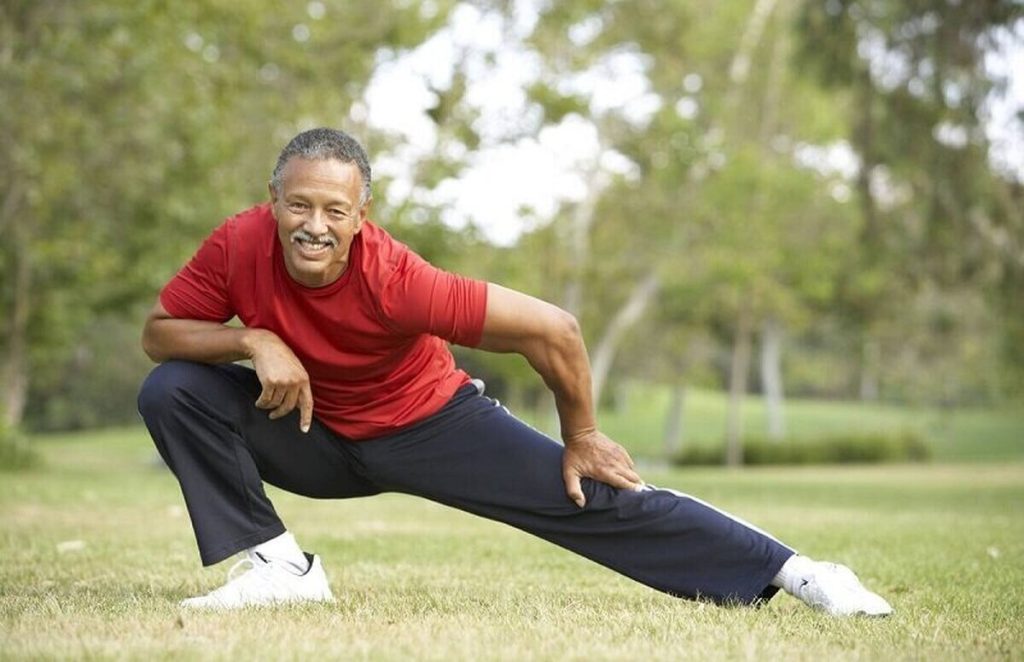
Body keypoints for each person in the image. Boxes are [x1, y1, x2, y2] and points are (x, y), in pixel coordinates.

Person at [137, 127, 892, 616]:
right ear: (272, 201)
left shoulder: (398, 281)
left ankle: (803, 573)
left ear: (362, 215)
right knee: (173, 390)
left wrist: (583, 434)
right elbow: (160, 335)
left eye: (335, 211)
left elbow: (553, 329)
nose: (314, 225)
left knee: (591, 497)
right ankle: (285, 573)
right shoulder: (237, 245)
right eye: (299, 205)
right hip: (312, 434)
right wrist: (253, 340)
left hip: (429, 425)